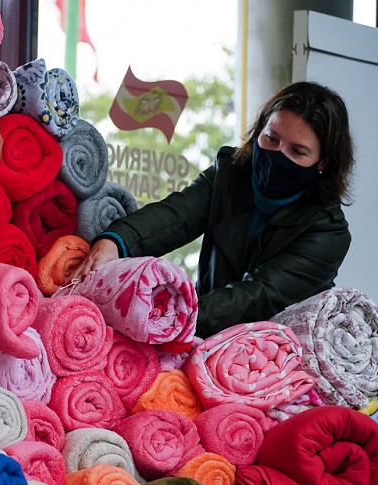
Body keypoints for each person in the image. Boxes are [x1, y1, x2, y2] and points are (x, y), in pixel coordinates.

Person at [74, 81, 354, 338]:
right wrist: (115, 242)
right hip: (199, 330)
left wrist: (169, 317)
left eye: (298, 151)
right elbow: (176, 216)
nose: (278, 154)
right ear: (259, 131)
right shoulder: (229, 174)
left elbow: (259, 295)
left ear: (323, 163)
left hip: (269, 356)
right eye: (271, 139)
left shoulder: (328, 233)